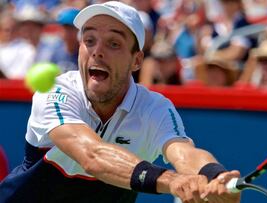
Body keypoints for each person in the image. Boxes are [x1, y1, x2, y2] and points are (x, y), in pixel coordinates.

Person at [0, 2, 241, 203]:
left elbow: (184, 152)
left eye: (113, 43)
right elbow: (92, 155)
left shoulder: (154, 107)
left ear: (136, 61)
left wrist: (215, 176)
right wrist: (173, 181)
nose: (97, 51)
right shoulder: (56, 91)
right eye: (89, 40)